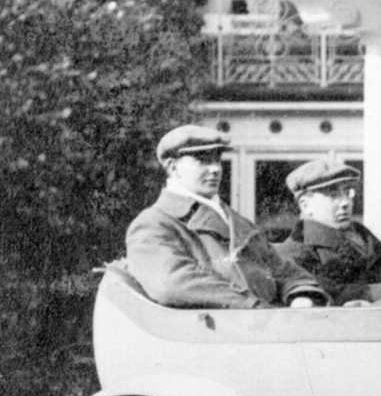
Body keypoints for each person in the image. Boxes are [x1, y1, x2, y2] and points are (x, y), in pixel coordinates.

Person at [126, 124, 326, 309]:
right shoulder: (155, 223)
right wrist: (252, 305)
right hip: (210, 331)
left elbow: (282, 269)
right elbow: (171, 283)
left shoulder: (237, 221)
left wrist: (300, 295)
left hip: (265, 325)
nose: (215, 169)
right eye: (203, 160)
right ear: (173, 167)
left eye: (217, 160)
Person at [275, 157, 381, 305]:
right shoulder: (295, 251)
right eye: (333, 195)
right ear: (305, 205)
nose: (345, 202)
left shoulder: (360, 233)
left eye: (348, 192)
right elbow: (334, 295)